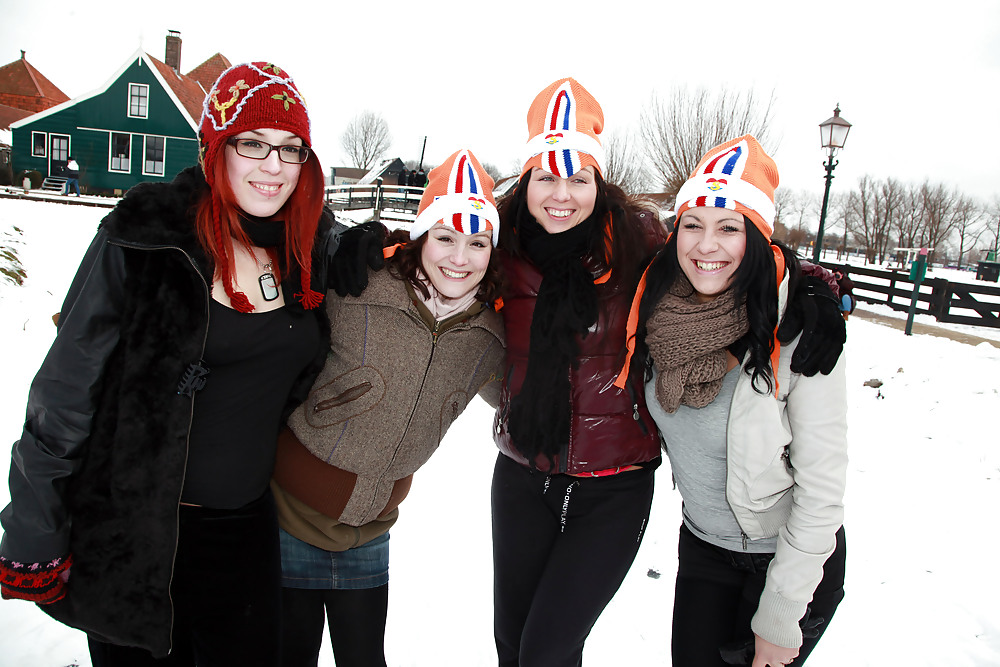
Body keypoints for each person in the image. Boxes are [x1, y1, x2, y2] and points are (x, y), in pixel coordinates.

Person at [0, 61, 379, 666]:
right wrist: (34, 526)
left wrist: (364, 244)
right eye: (252, 144)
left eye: (290, 149)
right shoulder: (148, 238)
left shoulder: (307, 250)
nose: (273, 166)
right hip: (138, 530)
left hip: (247, 534)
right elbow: (65, 391)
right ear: (216, 148)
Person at [271, 149, 506, 667]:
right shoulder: (358, 287)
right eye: (444, 237)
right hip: (288, 518)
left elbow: (524, 397)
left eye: (477, 242)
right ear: (421, 237)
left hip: (371, 531)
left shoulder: (490, 337)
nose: (459, 258)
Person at [627, 135, 847, 667]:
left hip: (784, 562)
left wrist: (782, 611)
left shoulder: (796, 330)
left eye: (730, 227)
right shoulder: (656, 310)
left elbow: (822, 488)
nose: (707, 245)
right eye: (693, 225)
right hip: (703, 547)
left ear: (756, 238)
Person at [490, 77, 667, 667]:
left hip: (613, 483)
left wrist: (807, 285)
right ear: (527, 179)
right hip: (523, 473)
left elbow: (721, 256)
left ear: (598, 181)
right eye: (546, 176)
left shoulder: (641, 243)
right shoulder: (500, 242)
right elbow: (432, 252)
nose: (560, 194)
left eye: (577, 178)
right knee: (513, 645)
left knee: (545, 650)